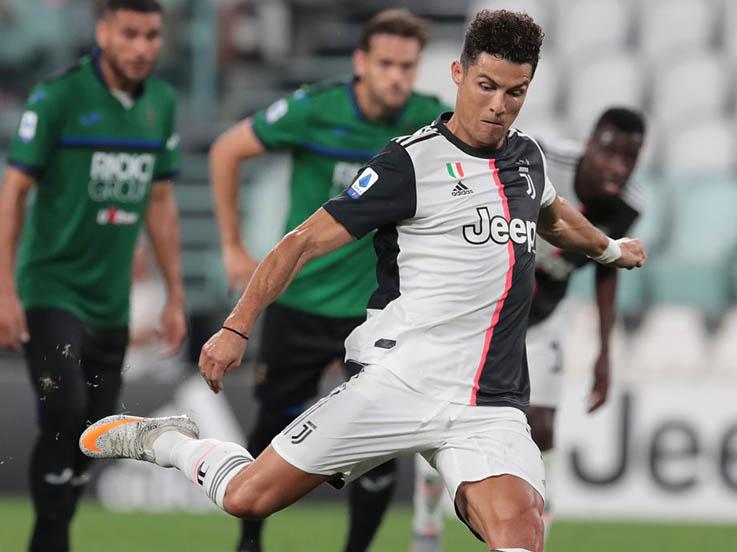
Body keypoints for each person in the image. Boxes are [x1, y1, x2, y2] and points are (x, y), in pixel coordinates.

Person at [80, 10, 646, 552]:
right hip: (399, 383)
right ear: (457, 74)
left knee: (522, 534)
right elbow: (300, 242)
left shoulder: (529, 159)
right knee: (247, 498)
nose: (498, 106)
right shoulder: (409, 164)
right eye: (486, 85)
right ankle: (170, 441)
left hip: (488, 406)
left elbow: (553, 217)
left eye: (514, 92)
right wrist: (237, 325)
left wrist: (610, 249)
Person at [208, 8, 447, 552]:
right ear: (361, 61)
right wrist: (230, 246)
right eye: (385, 63)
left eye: (407, 66)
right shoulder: (317, 108)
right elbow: (226, 150)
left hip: (376, 312)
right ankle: (249, 545)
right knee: (270, 429)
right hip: (303, 302)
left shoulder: (431, 122)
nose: (396, 77)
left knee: (379, 444)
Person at [409, 106, 647, 551]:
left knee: (544, 430)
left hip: (543, 319)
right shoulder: (539, 159)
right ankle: (425, 525)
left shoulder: (630, 204)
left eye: (629, 159)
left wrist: (604, 352)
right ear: (589, 145)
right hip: (483, 313)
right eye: (609, 153)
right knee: (445, 417)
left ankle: (534, 537)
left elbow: (608, 265)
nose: (617, 167)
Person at [0, 1, 186, 550]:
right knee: (65, 408)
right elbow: (14, 192)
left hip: (111, 301)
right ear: (103, 32)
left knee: (91, 435)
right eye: (130, 33)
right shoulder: (58, 97)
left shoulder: (162, 102)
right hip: (50, 287)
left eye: (151, 34)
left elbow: (159, 201)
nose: (142, 46)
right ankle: (48, 538)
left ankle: (53, 528)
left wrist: (175, 295)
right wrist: (4, 287)